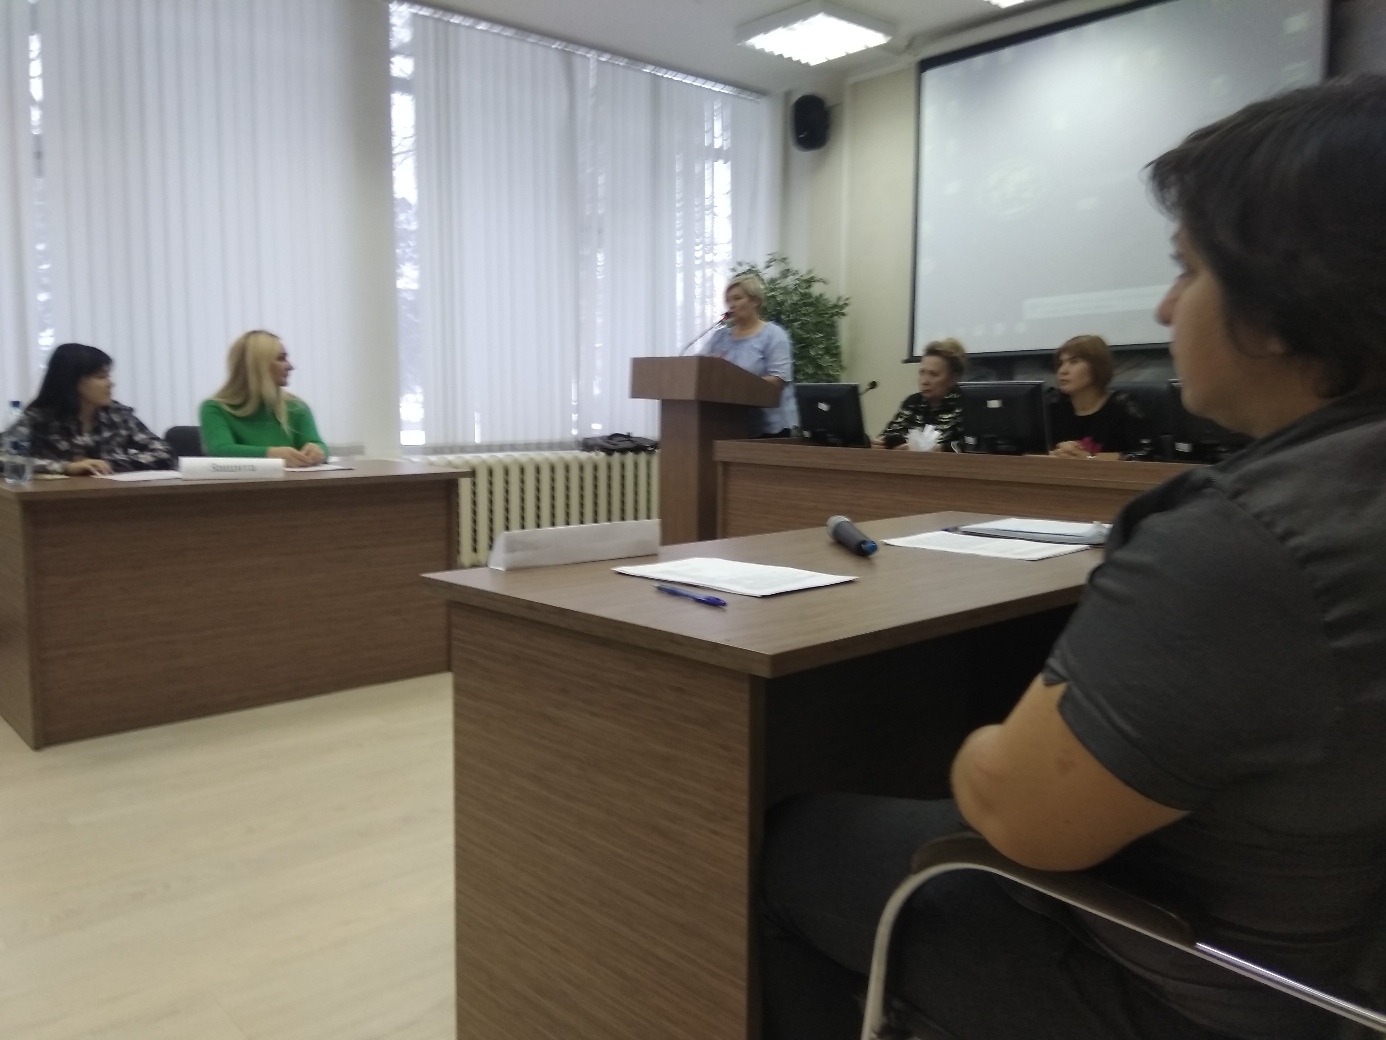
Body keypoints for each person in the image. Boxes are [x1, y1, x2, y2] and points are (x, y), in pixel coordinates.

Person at [760, 76, 1386, 1040]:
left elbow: (1019, 817)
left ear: (1277, 304)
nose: (1166, 309)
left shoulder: (1246, 544)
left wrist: (973, 743)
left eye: (1187, 270)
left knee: (777, 843)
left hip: (1186, 992)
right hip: (1343, 965)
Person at [2, 342, 173, 475]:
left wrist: (108, 464)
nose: (111, 383)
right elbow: (4, 457)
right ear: (72, 382)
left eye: (109, 375)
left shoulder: (119, 415)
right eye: (101, 376)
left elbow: (164, 453)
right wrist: (65, 467)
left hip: (114, 497)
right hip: (56, 501)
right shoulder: (39, 418)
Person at [200, 330, 328, 467]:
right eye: (281, 359)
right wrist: (271, 454)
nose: (290, 366)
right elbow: (220, 450)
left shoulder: (296, 407)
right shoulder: (215, 408)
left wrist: (318, 451)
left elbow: (318, 444)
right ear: (258, 366)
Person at [701, 273, 798, 435]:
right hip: (727, 424)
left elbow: (778, 380)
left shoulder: (773, 335)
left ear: (755, 301)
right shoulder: (720, 337)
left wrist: (734, 380)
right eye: (728, 300)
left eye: (737, 298)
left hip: (769, 428)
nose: (731, 305)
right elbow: (697, 368)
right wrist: (709, 366)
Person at [1047, 335, 1145, 458]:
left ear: (1097, 366)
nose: (1062, 370)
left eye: (1074, 362)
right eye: (1060, 363)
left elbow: (1147, 455)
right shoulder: (1051, 404)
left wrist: (1090, 459)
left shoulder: (1123, 407)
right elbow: (1030, 450)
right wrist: (1056, 454)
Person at [873, 339, 966, 450]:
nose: (924, 381)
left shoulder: (966, 406)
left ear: (953, 378)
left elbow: (973, 446)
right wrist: (881, 443)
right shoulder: (913, 403)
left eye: (933, 374)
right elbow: (889, 435)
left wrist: (941, 449)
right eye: (922, 373)